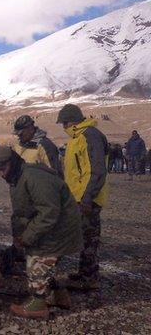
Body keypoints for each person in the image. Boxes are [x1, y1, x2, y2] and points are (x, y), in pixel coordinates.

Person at [0, 146, 81, 320]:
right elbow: (23, 212)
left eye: (3, 168)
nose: (1, 174)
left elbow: (49, 212)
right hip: (53, 226)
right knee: (39, 259)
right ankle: (59, 296)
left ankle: (38, 305)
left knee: (36, 263)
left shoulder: (33, 177)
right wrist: (19, 237)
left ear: (13, 162)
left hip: (60, 229)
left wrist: (27, 237)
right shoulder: (17, 177)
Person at [56, 104, 108, 290]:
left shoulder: (89, 135)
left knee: (88, 237)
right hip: (78, 197)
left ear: (72, 121)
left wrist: (87, 198)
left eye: (65, 123)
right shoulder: (77, 137)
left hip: (87, 199)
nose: (63, 127)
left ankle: (89, 278)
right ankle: (86, 273)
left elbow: (97, 170)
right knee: (86, 236)